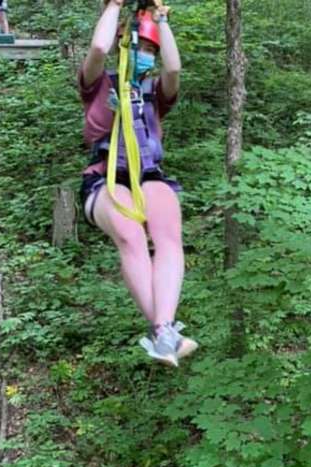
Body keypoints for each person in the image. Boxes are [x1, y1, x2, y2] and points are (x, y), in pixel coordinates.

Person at [78, 0, 197, 367]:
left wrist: (160, 21)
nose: (145, 56)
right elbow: (98, 48)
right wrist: (114, 5)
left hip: (147, 174)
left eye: (150, 51)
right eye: (140, 49)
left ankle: (163, 330)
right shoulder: (97, 87)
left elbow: (174, 67)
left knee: (168, 231)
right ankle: (164, 330)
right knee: (130, 234)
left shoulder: (154, 95)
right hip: (106, 177)